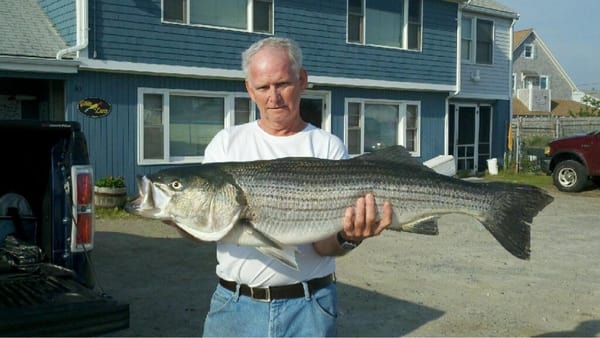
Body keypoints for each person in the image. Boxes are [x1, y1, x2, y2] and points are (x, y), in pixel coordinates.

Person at [201, 37, 393, 337]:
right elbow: (201, 228)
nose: (273, 97)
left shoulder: (326, 146)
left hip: (309, 308)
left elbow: (322, 246)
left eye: (282, 84)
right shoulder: (225, 145)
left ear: (302, 80)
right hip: (233, 307)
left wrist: (348, 237)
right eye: (263, 87)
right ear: (249, 89)